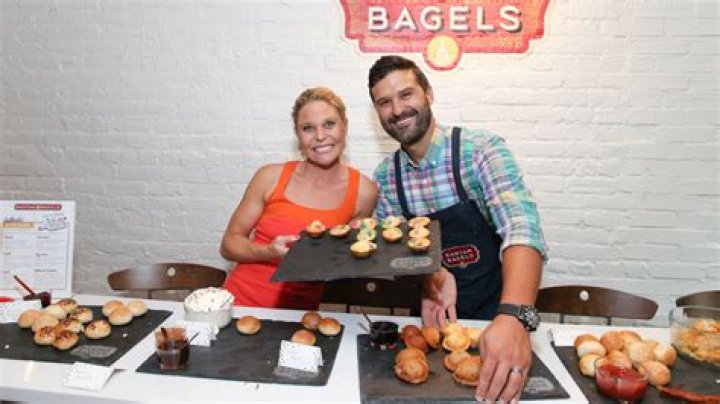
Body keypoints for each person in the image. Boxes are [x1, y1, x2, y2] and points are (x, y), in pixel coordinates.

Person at [368, 55, 547, 403]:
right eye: (384, 102)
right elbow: (397, 254)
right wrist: (430, 277)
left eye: (406, 94)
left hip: (497, 317)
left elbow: (522, 228)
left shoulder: (480, 151)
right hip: (432, 326)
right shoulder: (386, 176)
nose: (397, 109)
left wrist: (515, 316)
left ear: (428, 94)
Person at [220, 87, 377, 310]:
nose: (320, 136)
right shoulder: (270, 177)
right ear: (298, 136)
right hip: (237, 305)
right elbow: (228, 244)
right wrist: (268, 252)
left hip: (299, 316)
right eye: (308, 128)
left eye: (329, 124)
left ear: (345, 126)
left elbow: (343, 263)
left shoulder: (364, 191)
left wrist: (355, 250)